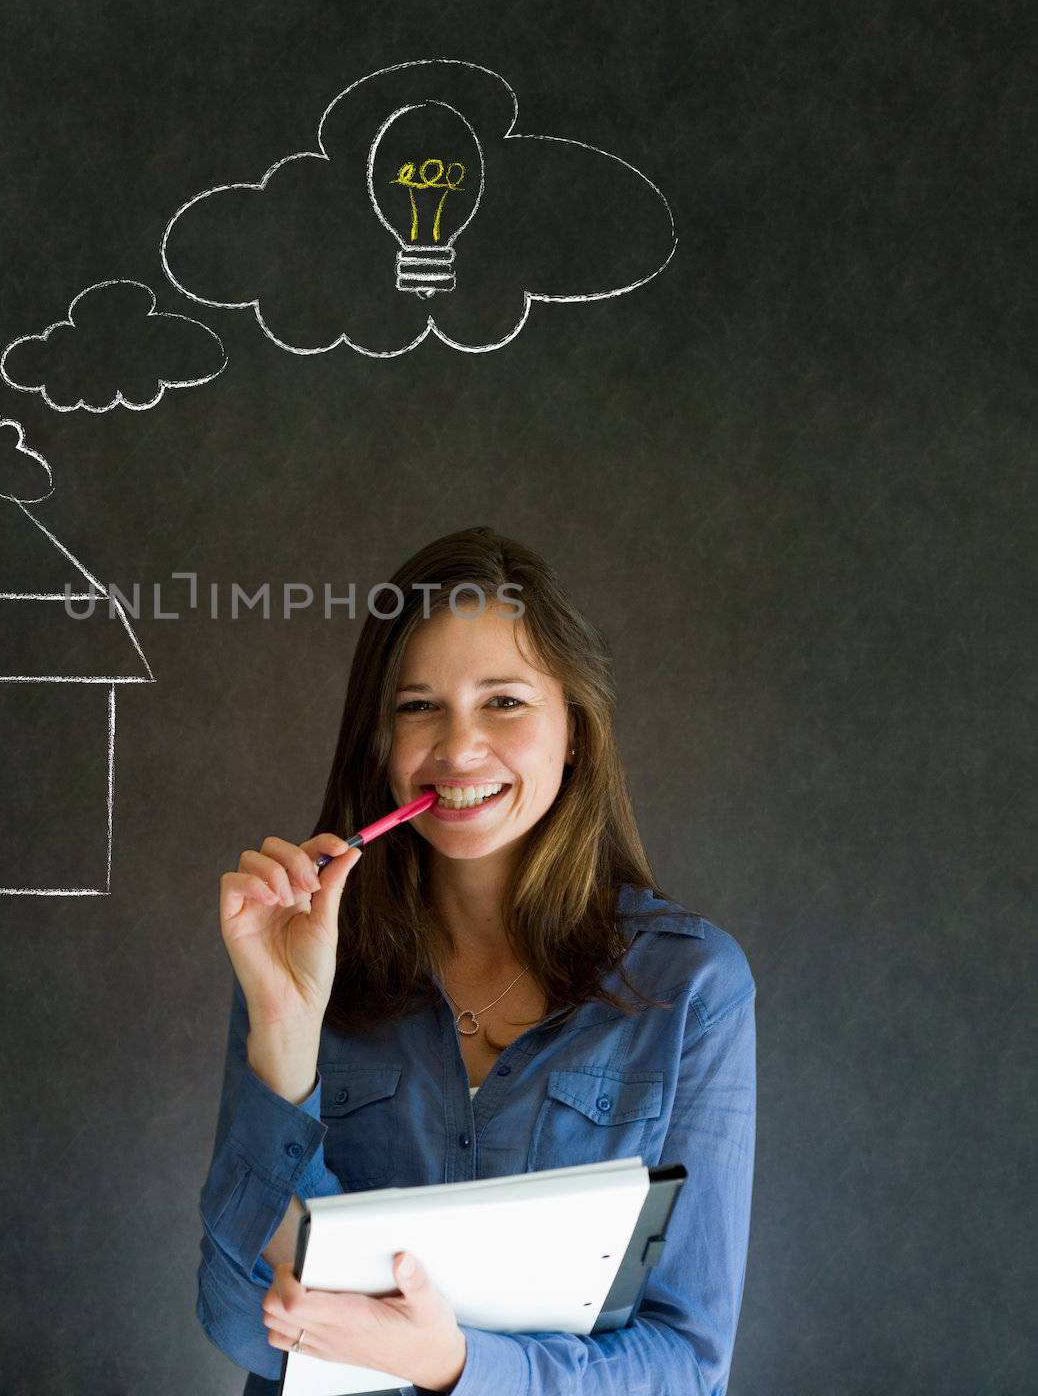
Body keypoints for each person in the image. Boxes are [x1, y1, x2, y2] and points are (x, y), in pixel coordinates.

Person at [196, 527, 757, 1395]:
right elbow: (242, 1318)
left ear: (576, 731)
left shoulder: (692, 989)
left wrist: (450, 1364)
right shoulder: (301, 961)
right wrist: (283, 1023)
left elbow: (686, 1364)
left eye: (504, 702)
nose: (458, 751)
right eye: (419, 707)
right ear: (380, 744)